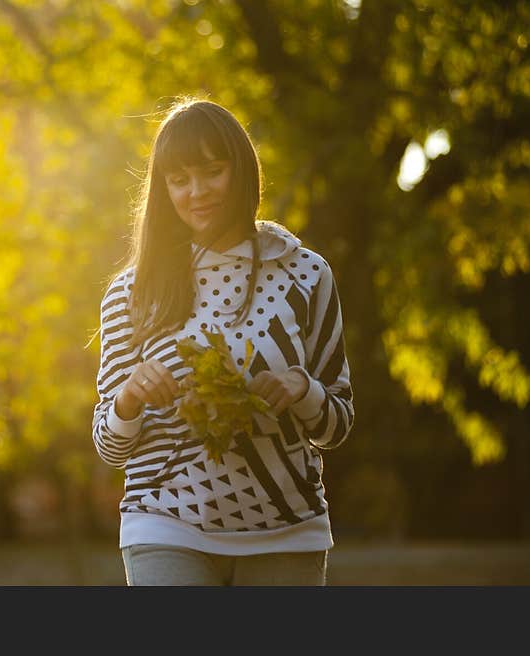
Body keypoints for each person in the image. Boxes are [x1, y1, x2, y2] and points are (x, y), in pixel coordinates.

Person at [91, 98, 355, 586]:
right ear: (163, 188)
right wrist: (129, 396)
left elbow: (337, 424)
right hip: (165, 522)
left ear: (243, 171)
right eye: (179, 179)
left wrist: (303, 388)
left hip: (287, 530)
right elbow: (108, 445)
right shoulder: (132, 291)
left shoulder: (306, 275)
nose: (196, 192)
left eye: (212, 171)